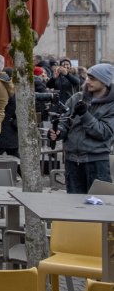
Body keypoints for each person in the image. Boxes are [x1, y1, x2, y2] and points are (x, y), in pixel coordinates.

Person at [47, 62, 114, 193]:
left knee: (98, 202)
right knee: (74, 204)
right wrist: (59, 132)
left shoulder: (111, 105)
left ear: (104, 81)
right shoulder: (77, 98)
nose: (88, 81)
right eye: (88, 77)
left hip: (96, 162)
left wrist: (85, 115)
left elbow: (104, 132)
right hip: (72, 161)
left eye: (93, 78)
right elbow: (65, 122)